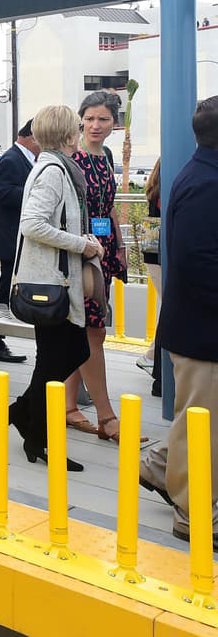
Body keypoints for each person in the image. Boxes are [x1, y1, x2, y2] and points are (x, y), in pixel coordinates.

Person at [140, 95, 218, 549]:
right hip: (203, 330)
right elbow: (198, 263)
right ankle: (193, 513)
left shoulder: (202, 174)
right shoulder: (205, 184)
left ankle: (157, 465)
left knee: (203, 418)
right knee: (204, 421)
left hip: (198, 326)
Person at [7, 105, 103, 472]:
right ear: (67, 133)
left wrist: (81, 239)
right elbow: (32, 223)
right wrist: (82, 245)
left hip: (55, 279)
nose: (81, 132)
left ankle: (25, 418)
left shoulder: (53, 166)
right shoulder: (52, 171)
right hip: (52, 283)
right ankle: (35, 432)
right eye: (78, 127)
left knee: (59, 356)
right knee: (62, 355)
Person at [64, 91, 138, 443]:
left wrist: (119, 246)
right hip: (80, 251)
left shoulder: (106, 156)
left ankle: (67, 406)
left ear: (114, 124)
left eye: (103, 119)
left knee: (87, 330)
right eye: (90, 118)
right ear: (81, 120)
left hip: (103, 249)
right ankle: (107, 417)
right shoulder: (72, 158)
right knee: (92, 331)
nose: (95, 125)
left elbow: (107, 208)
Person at [0, 119, 39, 364]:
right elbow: (3, 195)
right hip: (10, 238)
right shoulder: (11, 159)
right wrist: (36, 191)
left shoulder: (25, 159)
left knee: (8, 289)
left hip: (19, 238)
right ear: (31, 136)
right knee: (5, 290)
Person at [137, 158, 162, 396]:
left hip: (152, 254)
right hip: (161, 256)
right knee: (168, 308)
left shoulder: (154, 187)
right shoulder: (164, 189)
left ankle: (151, 355)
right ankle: (152, 357)